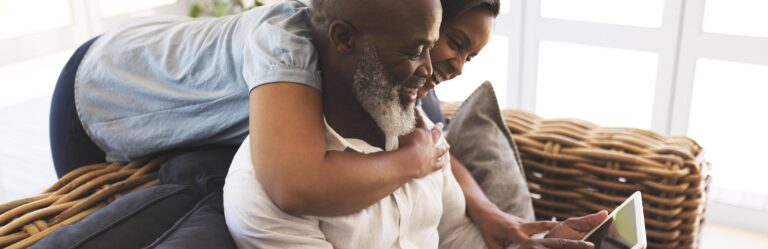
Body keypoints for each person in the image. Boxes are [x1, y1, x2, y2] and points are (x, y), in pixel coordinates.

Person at [224, 0, 607, 248]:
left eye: (430, 46)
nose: (430, 71)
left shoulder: (415, 127)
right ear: (344, 39)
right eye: (413, 51)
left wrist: (535, 242)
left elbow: (452, 235)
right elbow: (295, 187)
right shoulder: (265, 189)